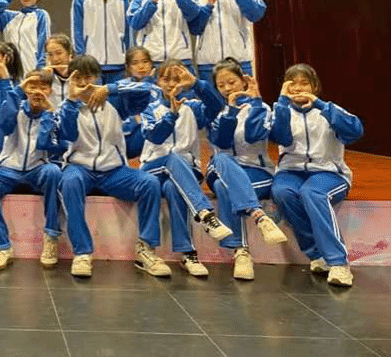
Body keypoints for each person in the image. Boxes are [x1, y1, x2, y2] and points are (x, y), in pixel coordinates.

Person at [57, 55, 168, 278]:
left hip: (114, 171)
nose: (84, 83)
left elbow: (148, 90)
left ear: (98, 78)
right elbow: (67, 134)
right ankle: (82, 253)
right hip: (80, 168)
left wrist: (110, 89)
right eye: (78, 77)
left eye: (89, 77)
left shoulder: (115, 102)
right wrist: (71, 101)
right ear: (71, 79)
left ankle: (146, 249)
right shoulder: (66, 106)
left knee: (149, 183)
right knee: (69, 181)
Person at [139, 60, 234, 277]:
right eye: (166, 79)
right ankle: (205, 214)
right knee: (172, 158)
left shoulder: (193, 107)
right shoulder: (149, 108)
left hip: (185, 172)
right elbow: (155, 136)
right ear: (157, 81)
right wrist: (171, 114)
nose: (171, 84)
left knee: (174, 189)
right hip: (154, 168)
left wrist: (196, 84)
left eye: (177, 79)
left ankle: (188, 253)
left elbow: (216, 106)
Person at [270, 63, 362, 287]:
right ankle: (317, 254)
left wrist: (320, 105)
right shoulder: (282, 111)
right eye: (292, 84)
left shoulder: (329, 109)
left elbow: (355, 131)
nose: (298, 88)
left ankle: (338, 262)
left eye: (304, 83)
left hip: (329, 173)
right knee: (282, 192)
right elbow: (280, 137)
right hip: (291, 171)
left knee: (312, 193)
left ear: (315, 86)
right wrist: (282, 102)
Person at [206, 58, 287, 281]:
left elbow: (253, 136)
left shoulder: (261, 108)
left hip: (256, 170)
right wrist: (231, 111)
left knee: (223, 188)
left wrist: (257, 101)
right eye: (221, 85)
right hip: (221, 168)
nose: (227, 88)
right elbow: (221, 142)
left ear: (243, 81)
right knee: (221, 158)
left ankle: (241, 252)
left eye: (231, 82)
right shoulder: (218, 113)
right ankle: (259, 216)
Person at [0, 70, 63, 269]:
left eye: (43, 87)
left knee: (54, 173)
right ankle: (1, 247)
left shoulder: (56, 113)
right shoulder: (14, 107)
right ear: (25, 89)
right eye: (32, 87)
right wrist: (17, 91)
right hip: (9, 168)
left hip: (38, 169)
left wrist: (47, 114)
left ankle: (51, 238)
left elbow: (46, 144)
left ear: (50, 91)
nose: (37, 92)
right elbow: (3, 126)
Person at [71, 0, 131, 83]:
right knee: (93, 97)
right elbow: (77, 31)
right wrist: (81, 59)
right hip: (91, 64)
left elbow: (127, 31)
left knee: (115, 97)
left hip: (118, 63)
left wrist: (128, 58)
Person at [43, 34, 73, 109]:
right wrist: (44, 80)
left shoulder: (80, 75)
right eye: (50, 54)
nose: (55, 59)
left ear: (69, 52)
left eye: (59, 53)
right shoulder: (44, 77)